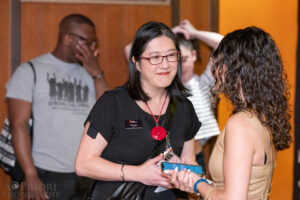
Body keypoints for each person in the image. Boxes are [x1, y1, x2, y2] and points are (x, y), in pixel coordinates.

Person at [75, 21, 201, 200]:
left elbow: (188, 161)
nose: (165, 65)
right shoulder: (113, 102)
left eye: (171, 55)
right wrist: (138, 173)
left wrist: (190, 176)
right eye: (155, 57)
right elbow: (83, 164)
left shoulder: (184, 108)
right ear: (137, 63)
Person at [166, 26, 292, 200]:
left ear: (236, 68)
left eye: (218, 63)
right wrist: (195, 184)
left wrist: (197, 184)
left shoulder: (240, 124)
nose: (214, 70)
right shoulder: (263, 117)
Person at [6, 14, 109, 200]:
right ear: (68, 38)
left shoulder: (91, 72)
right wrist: (30, 174)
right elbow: (18, 125)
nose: (92, 48)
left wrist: (97, 73)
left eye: (94, 43)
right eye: (87, 41)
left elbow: (108, 113)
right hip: (46, 173)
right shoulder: (30, 70)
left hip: (86, 172)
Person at [172, 20, 222, 171]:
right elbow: (130, 51)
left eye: (184, 59)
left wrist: (193, 33)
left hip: (196, 157)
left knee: (196, 193)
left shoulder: (205, 83)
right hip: (168, 158)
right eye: (175, 60)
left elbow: (225, 43)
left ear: (194, 55)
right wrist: (167, 33)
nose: (180, 66)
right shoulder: (163, 86)